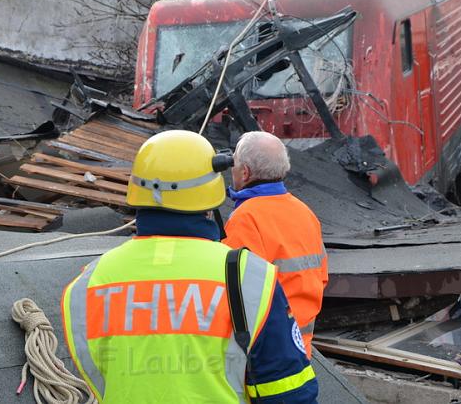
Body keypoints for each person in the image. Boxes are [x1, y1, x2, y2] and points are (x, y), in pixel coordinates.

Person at [61, 130, 318, 403]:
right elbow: (288, 393)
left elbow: (96, 375)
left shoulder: (87, 284)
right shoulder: (247, 276)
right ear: (210, 192)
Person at [223, 131, 328, 356]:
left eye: (235, 162)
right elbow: (322, 277)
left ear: (245, 171)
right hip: (301, 347)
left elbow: (235, 293)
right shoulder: (305, 212)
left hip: (265, 353)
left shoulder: (245, 218)